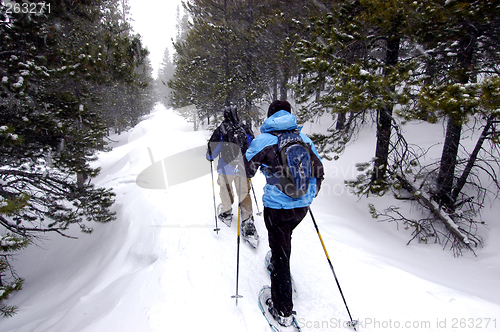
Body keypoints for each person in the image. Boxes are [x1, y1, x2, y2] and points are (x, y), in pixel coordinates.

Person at [245, 100, 324, 326]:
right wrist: (308, 195)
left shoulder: (265, 140)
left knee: (281, 257)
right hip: (301, 209)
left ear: (270, 116)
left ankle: (283, 310)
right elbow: (320, 171)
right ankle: (279, 258)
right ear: (290, 115)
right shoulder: (304, 139)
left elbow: (246, 169)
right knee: (284, 241)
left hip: (277, 208)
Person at [206, 105, 258, 243]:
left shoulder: (221, 129)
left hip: (226, 166)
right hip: (242, 166)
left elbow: (212, 150)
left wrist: (210, 156)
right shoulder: (244, 128)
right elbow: (253, 145)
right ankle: (247, 220)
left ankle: (226, 211)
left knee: (226, 188)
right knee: (244, 192)